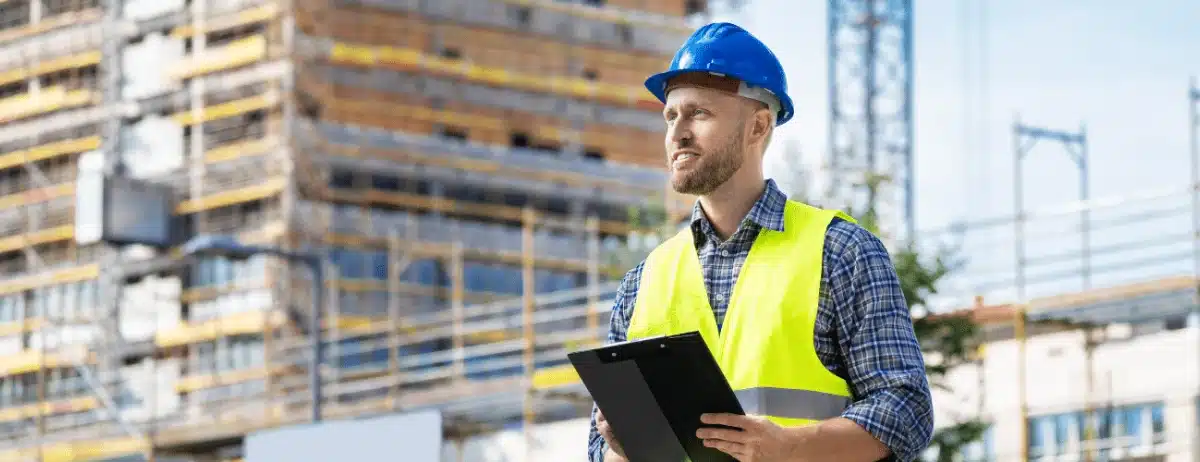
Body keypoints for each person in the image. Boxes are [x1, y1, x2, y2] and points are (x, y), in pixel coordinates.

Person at [585, 22, 934, 462]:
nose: (677, 133)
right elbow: (598, 448)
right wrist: (625, 450)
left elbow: (907, 409)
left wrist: (789, 447)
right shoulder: (642, 282)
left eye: (699, 114)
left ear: (758, 126)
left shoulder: (840, 252)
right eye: (671, 116)